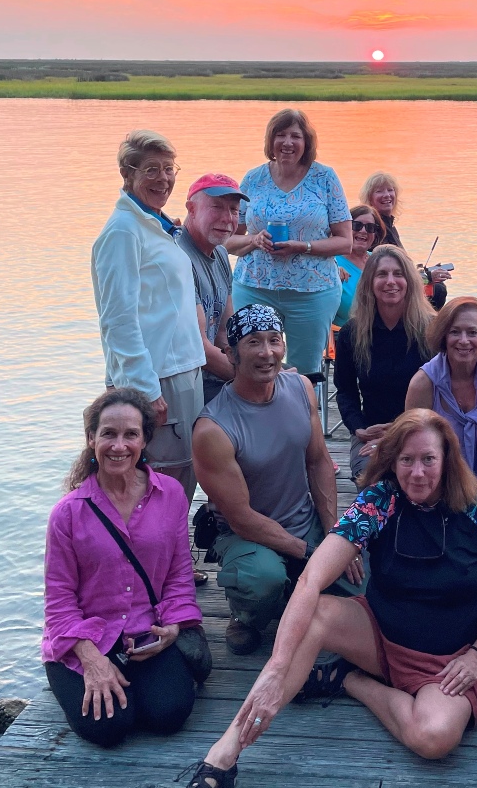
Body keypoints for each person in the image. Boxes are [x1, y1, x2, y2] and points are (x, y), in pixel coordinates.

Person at [156, 409, 477, 788]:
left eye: (428, 460)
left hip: (451, 660)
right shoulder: (380, 502)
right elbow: (312, 577)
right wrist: (276, 669)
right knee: (315, 612)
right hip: (383, 637)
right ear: (392, 461)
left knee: (434, 738)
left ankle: (348, 681)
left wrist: (476, 655)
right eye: (406, 460)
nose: (417, 473)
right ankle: (221, 760)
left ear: (448, 459)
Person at [192, 304, 364, 657]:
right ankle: (246, 616)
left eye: (274, 340)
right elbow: (240, 517)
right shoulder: (213, 428)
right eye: (253, 342)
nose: (267, 352)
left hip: (306, 522)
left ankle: (296, 589)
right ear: (232, 353)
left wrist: (335, 534)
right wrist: (309, 554)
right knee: (263, 580)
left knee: (365, 587)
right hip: (248, 537)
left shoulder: (300, 388)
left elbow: (319, 462)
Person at [42, 389, 203, 747]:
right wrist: (91, 660)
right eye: (108, 434)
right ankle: (64, 673)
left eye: (130, 434)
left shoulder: (171, 494)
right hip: (86, 637)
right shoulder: (67, 514)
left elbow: (179, 574)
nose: (119, 445)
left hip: (147, 633)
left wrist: (173, 627)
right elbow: (59, 602)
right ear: (91, 439)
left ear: (145, 439)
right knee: (108, 728)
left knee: (170, 714)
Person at [91, 130, 205, 501]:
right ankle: (153, 557)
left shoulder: (154, 223)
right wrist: (146, 389)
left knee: (182, 479)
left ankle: (171, 555)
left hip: (183, 370)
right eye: (151, 170)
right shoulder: (123, 233)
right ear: (128, 174)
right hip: (159, 379)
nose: (163, 178)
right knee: (160, 486)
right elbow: (117, 320)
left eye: (169, 169)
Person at [227, 108, 352, 377]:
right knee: (251, 365)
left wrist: (303, 247)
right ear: (270, 141)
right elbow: (228, 240)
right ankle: (253, 418)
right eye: (280, 135)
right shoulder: (253, 178)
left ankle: (301, 418)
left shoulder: (325, 178)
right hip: (254, 287)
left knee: (303, 371)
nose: (287, 143)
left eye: (295, 136)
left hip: (312, 292)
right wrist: (254, 240)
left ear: (306, 142)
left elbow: (345, 242)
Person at [405, 296, 477, 510]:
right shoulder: (423, 384)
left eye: (472, 332)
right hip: (439, 481)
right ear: (444, 336)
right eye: (454, 332)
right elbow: (412, 450)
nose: (463, 340)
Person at [334, 244, 433, 481]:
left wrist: (397, 434)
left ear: (409, 281)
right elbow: (345, 391)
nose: (391, 281)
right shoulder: (352, 333)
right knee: (371, 476)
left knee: (420, 475)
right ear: (369, 282)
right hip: (371, 431)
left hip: (424, 428)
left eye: (398, 274)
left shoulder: (430, 330)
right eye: (382, 274)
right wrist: (357, 428)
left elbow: (446, 394)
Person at [176, 173, 247, 404]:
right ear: (192, 209)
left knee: (296, 380)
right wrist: (254, 380)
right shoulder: (178, 257)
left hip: (212, 374)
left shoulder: (221, 253)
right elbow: (200, 349)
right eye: (216, 207)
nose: (227, 218)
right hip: (186, 380)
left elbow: (225, 332)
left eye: (234, 210)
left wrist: (260, 364)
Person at [361, 172, 450, 309]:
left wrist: (424, 271)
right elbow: (389, 271)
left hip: (401, 282)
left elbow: (402, 266)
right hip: (389, 289)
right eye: (379, 191)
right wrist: (427, 277)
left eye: (390, 190)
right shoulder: (374, 229)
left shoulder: (390, 226)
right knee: (438, 290)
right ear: (370, 199)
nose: (387, 195)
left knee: (438, 287)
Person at [334, 204, 386, 328]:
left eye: (370, 227)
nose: (363, 231)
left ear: (375, 234)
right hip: (344, 336)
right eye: (356, 225)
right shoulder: (330, 263)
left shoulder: (380, 261)